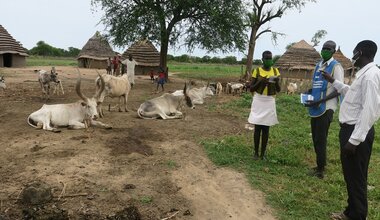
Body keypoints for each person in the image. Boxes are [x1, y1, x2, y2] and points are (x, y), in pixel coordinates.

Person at [323, 40, 380, 220]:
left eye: (354, 52)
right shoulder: (364, 75)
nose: (352, 56)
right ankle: (351, 211)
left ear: (360, 52)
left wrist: (354, 140)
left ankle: (358, 216)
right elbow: (352, 94)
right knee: (352, 176)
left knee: (356, 178)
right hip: (352, 130)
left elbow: (370, 110)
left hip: (356, 132)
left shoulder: (371, 76)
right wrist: (334, 82)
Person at [304, 40, 344, 179]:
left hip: (326, 107)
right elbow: (315, 85)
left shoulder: (336, 67)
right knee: (315, 138)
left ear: (333, 51)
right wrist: (308, 93)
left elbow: (339, 89)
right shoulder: (318, 65)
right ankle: (318, 165)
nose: (325, 51)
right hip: (315, 106)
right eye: (324, 48)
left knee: (321, 138)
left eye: (328, 49)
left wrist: (321, 100)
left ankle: (321, 170)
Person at [248, 50, 281, 160]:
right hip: (259, 100)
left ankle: (263, 154)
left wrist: (276, 82)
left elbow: (279, 90)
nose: (269, 60)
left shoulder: (275, 71)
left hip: (269, 101)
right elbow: (251, 88)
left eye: (270, 58)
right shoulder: (256, 71)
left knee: (266, 128)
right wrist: (261, 82)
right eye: (267, 58)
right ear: (262, 59)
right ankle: (256, 153)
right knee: (257, 127)